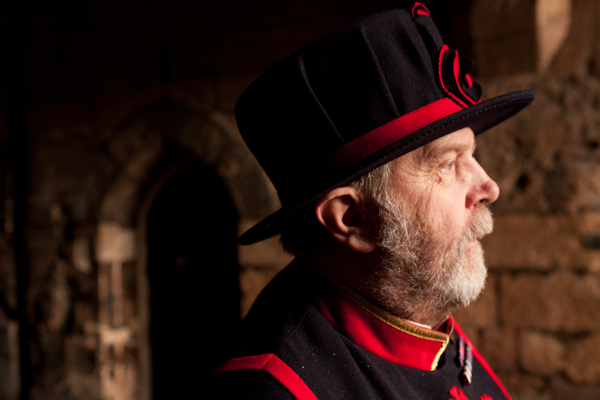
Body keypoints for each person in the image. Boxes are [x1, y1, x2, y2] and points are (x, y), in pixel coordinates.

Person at [204, 3, 533, 399]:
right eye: (446, 164)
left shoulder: (413, 317)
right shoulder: (272, 391)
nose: (488, 187)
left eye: (471, 155)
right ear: (354, 218)